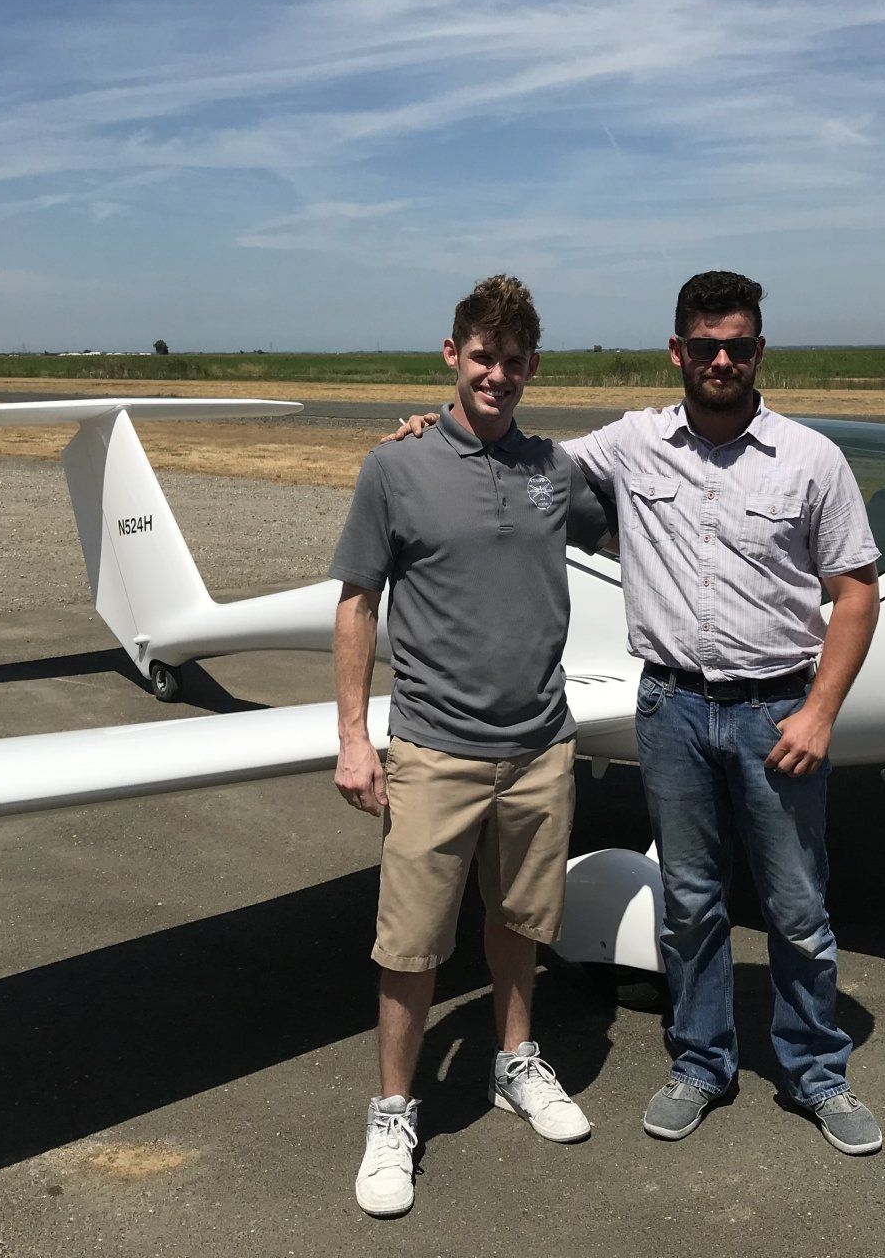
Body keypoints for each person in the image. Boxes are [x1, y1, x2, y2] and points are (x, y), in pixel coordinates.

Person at [389, 271, 883, 1154]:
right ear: (678, 352)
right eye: (704, 346)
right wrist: (431, 433)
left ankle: (816, 1072)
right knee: (690, 904)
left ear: (759, 352)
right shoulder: (631, 442)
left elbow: (854, 593)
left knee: (798, 906)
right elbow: (510, 451)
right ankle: (700, 1063)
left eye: (736, 345)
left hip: (775, 709)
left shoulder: (813, 460)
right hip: (671, 707)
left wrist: (817, 714)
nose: (720, 359)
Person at [329, 274, 614, 1218]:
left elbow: (635, 510)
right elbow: (358, 602)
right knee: (411, 943)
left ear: (533, 367)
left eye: (514, 360)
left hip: (539, 745)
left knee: (521, 921)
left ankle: (514, 1065)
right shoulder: (395, 467)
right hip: (434, 748)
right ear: (452, 357)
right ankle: (393, 1113)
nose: (498, 373)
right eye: (481, 356)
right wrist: (353, 740)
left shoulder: (553, 470)